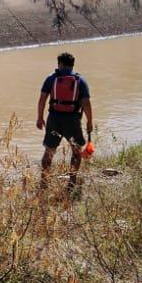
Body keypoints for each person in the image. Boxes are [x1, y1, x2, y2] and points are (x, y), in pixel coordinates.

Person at [36, 51, 93, 189]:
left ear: (59, 64)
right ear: (73, 65)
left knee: (49, 150)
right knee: (76, 151)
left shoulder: (51, 78)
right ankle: (72, 182)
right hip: (72, 120)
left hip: (54, 118)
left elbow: (42, 99)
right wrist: (89, 121)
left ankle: (44, 182)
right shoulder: (81, 81)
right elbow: (86, 103)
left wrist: (39, 117)